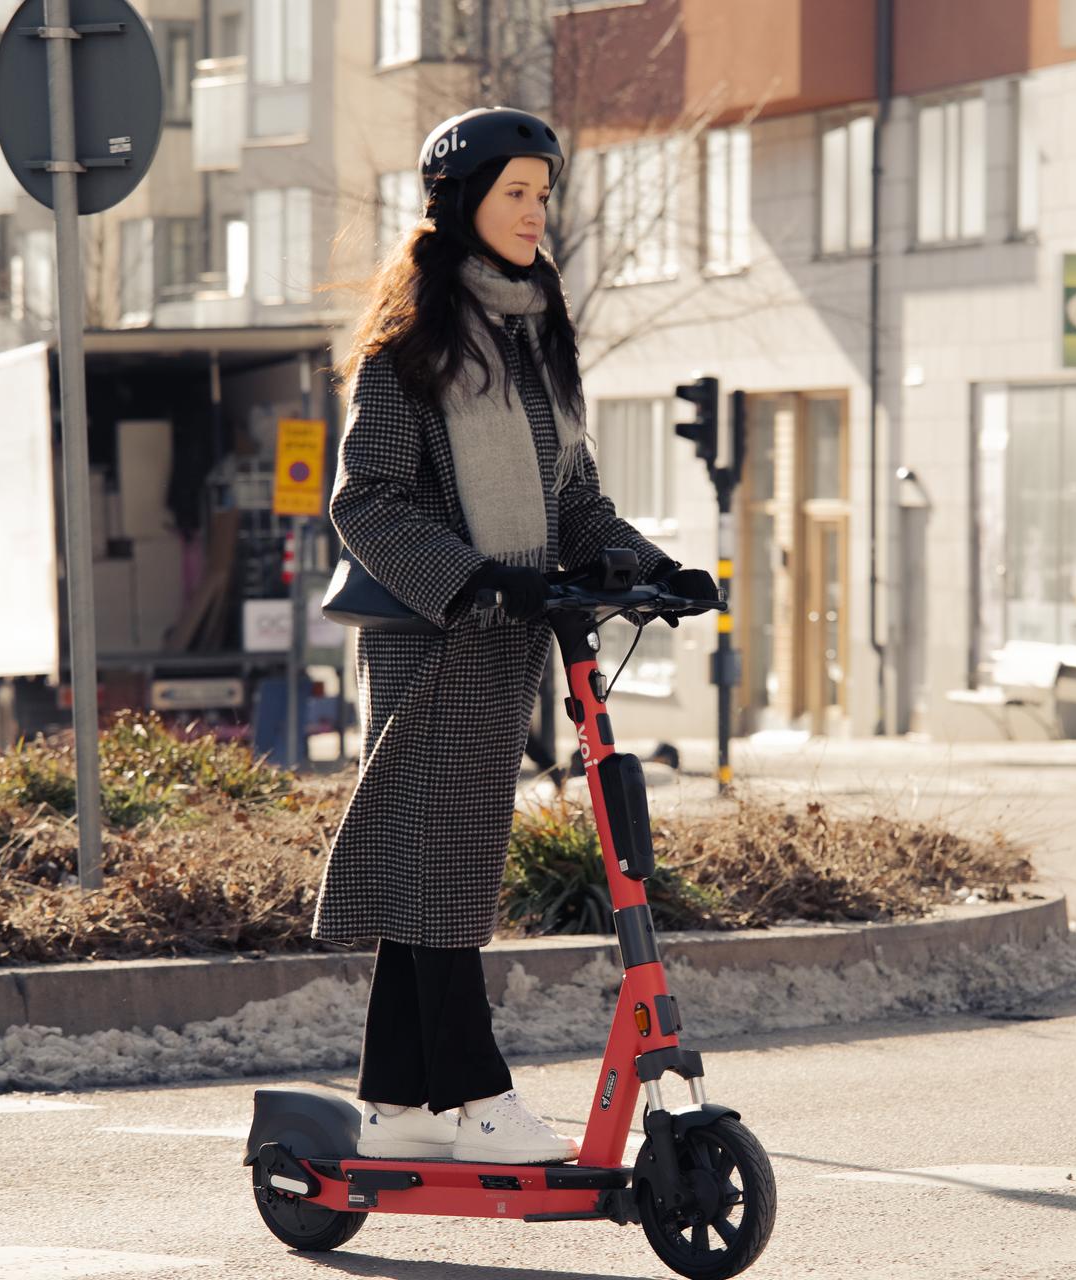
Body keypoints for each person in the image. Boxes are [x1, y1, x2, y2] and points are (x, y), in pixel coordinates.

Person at [315, 107, 716, 1165]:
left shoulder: (536, 338)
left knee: (435, 863)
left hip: (511, 635)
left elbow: (571, 495)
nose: (540, 212)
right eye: (517, 193)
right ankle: (479, 1094)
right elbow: (368, 502)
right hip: (436, 632)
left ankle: (397, 1105)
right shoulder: (409, 354)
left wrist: (647, 565)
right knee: (441, 860)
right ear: (461, 204)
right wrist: (475, 580)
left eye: (545, 193)